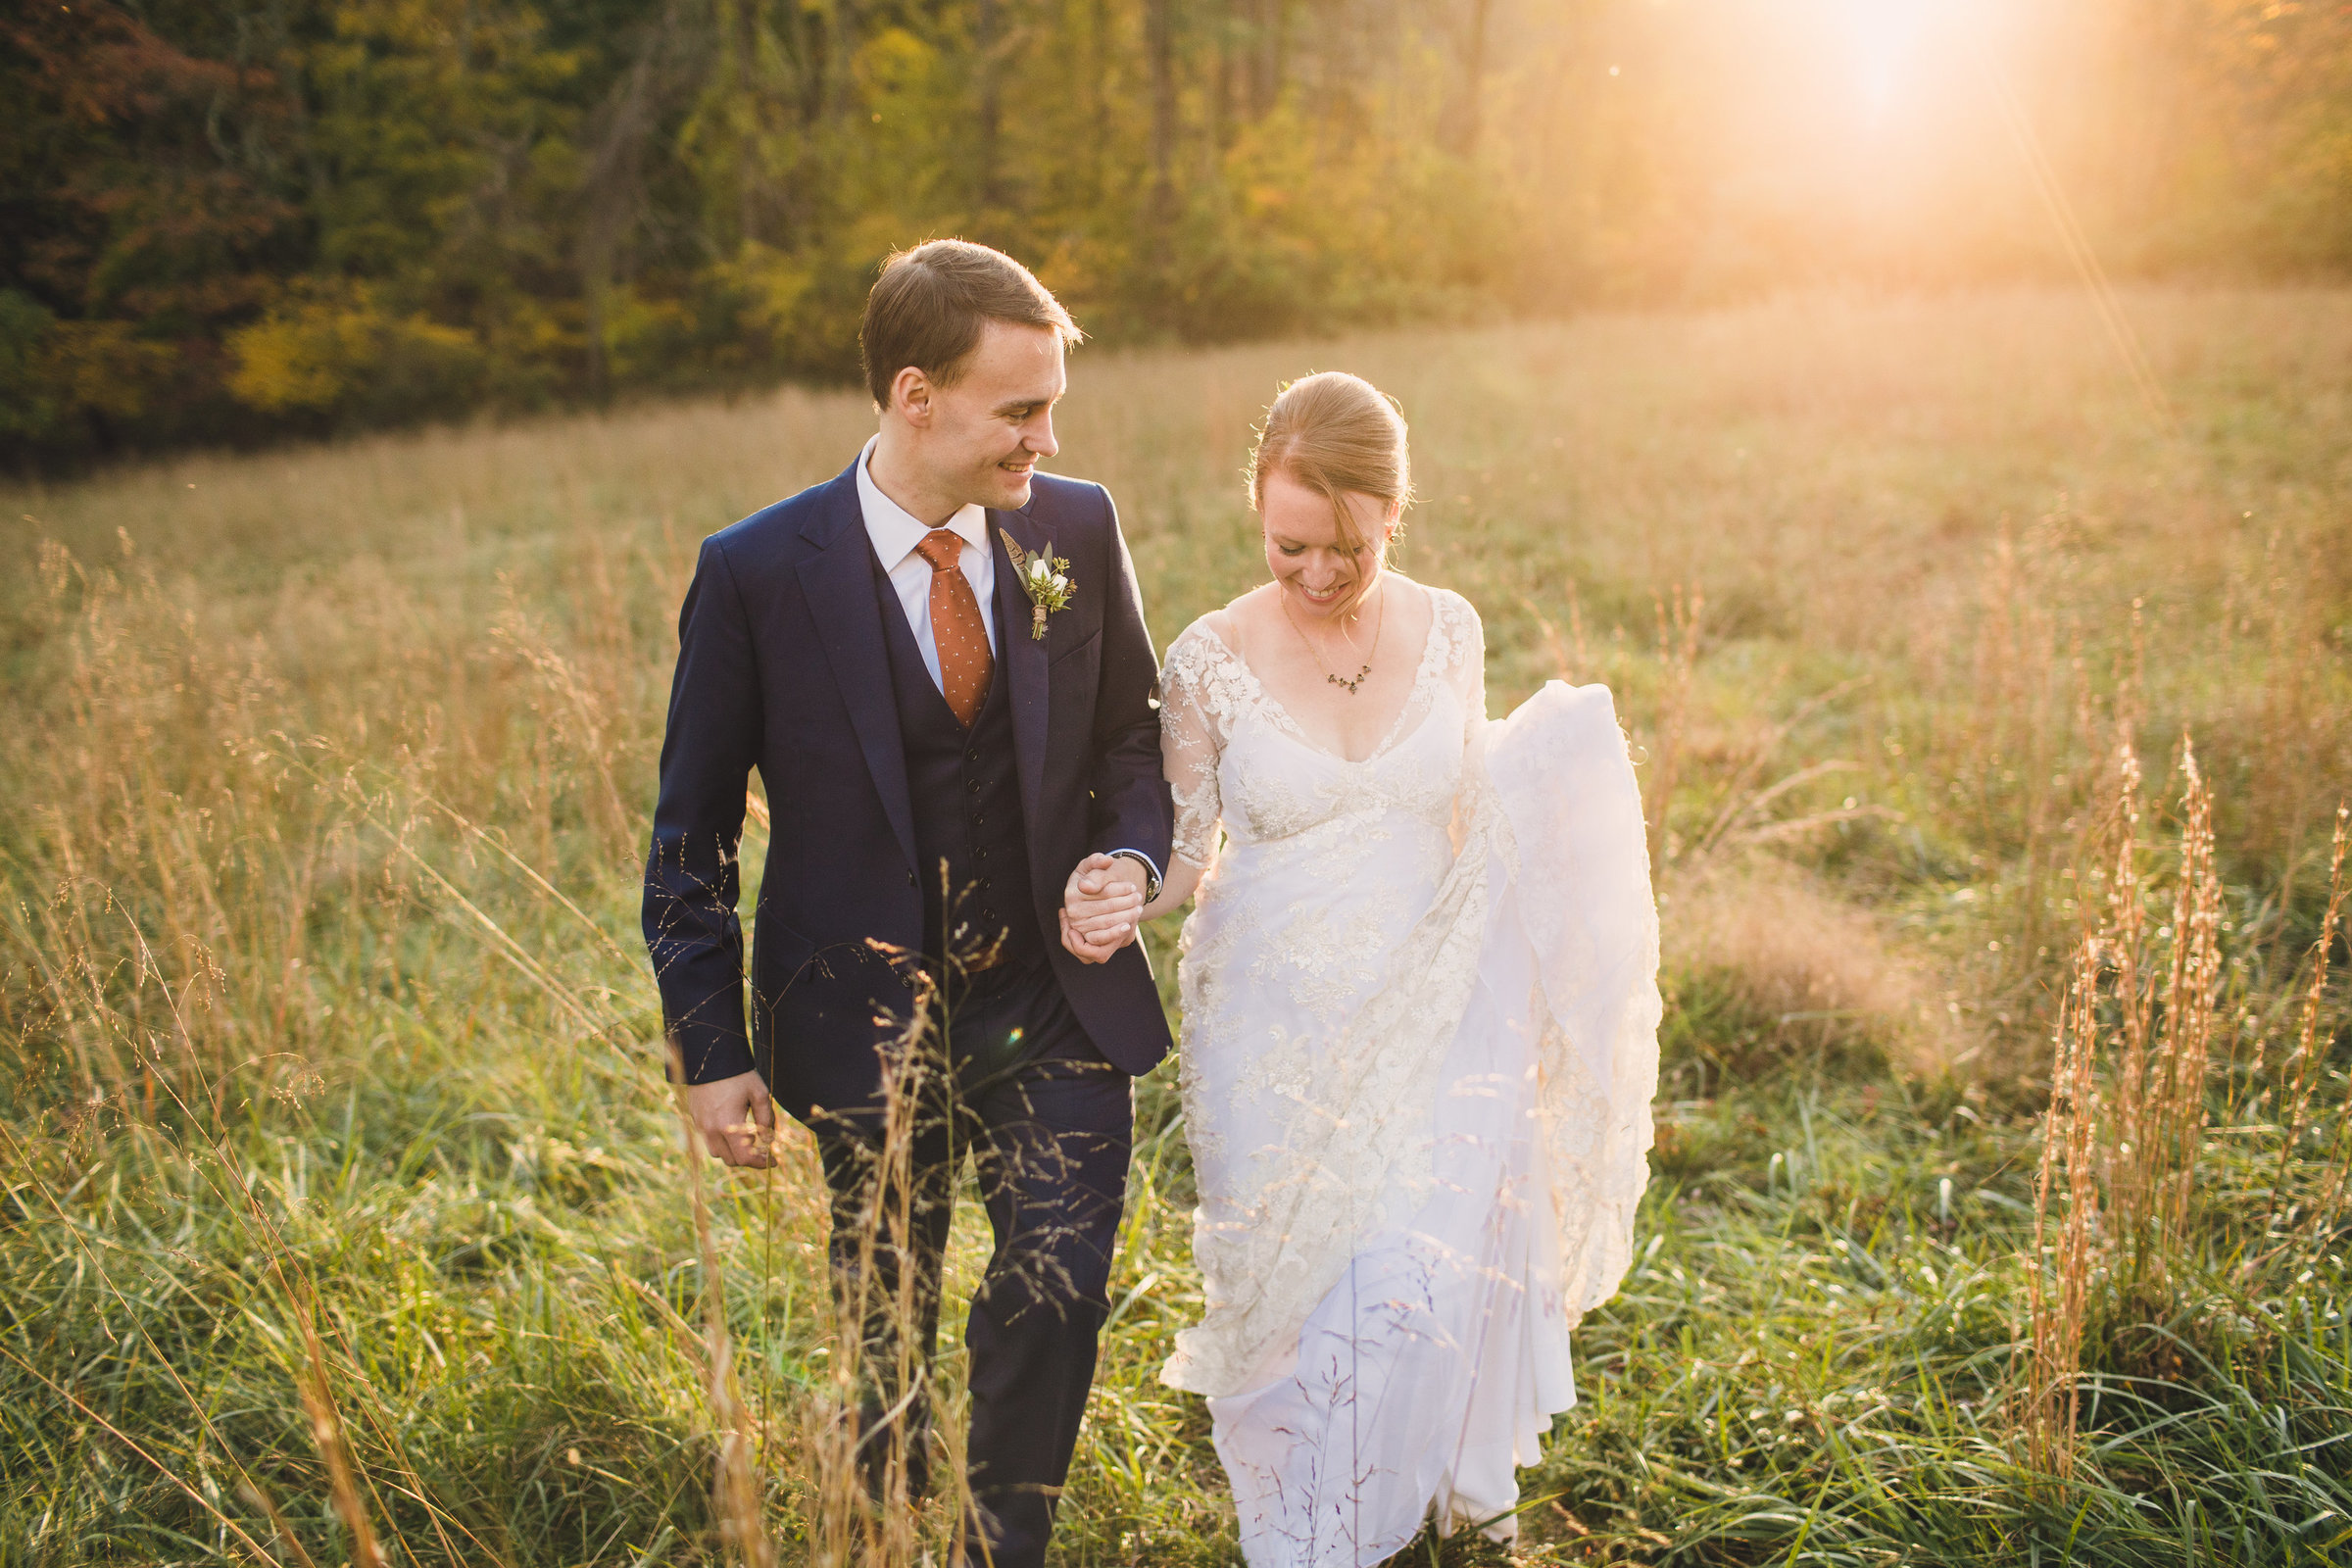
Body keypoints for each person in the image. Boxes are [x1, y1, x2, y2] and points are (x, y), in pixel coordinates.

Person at [1069, 370, 1662, 1564]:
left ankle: (1424, 1486)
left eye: (1347, 545)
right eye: (1290, 546)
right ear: (1259, 516)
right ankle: (1306, 1535)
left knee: (1416, 1269)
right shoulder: (1207, 657)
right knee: (1292, 1298)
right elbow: (1189, 852)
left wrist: (1562, 774)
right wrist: (1126, 882)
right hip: (1267, 1024)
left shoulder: (1450, 626)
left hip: (1430, 997)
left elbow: (1469, 817)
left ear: (1395, 511)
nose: (1319, 574)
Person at [641, 238, 1173, 1568]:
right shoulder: (759, 572)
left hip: (1053, 1000)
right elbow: (690, 834)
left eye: (1053, 404)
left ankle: (1007, 1541)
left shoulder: (1073, 523)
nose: (1047, 436)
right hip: (860, 1021)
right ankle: (880, 1520)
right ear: (915, 395)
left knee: (1053, 1289)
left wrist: (1137, 861)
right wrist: (712, 1053)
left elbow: (1133, 741)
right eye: (1021, 409)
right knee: (885, 1322)